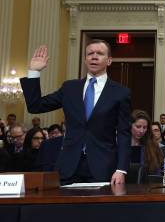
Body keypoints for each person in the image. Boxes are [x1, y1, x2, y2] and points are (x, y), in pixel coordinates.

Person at [20, 42, 131, 185]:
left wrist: (121, 169)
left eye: (100, 53)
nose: (94, 57)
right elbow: (35, 106)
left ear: (109, 60)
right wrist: (34, 72)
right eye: (90, 54)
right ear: (85, 60)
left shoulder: (120, 92)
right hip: (69, 166)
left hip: (103, 167)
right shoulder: (69, 88)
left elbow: (124, 133)